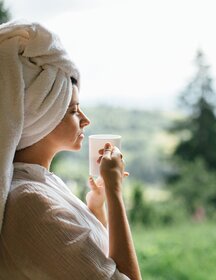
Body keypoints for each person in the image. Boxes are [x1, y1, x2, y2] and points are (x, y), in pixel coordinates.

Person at [0, 21, 142, 279]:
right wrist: (114, 192)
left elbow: (96, 261)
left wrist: (96, 207)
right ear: (41, 116)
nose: (85, 120)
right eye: (74, 110)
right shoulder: (32, 202)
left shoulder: (42, 184)